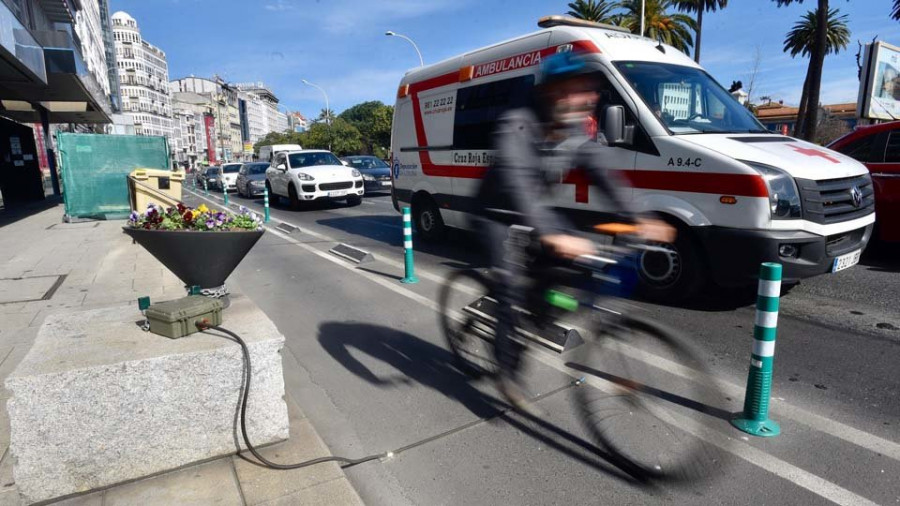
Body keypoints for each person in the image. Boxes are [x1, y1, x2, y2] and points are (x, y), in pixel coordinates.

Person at [474, 50, 674, 412]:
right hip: (496, 215)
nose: (589, 97)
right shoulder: (517, 123)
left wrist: (643, 217)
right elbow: (519, 186)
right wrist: (551, 234)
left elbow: (607, 177)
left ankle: (536, 313)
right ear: (553, 92)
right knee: (508, 292)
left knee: (566, 273)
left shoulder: (575, 131)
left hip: (538, 213)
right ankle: (506, 373)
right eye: (578, 89)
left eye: (590, 90)